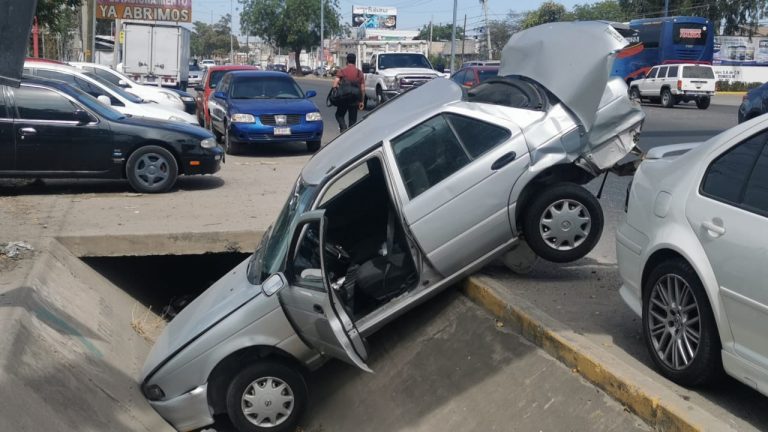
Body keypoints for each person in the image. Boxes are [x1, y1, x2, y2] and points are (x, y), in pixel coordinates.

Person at [333, 53, 365, 132]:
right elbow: (363, 88)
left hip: (344, 97)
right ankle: (350, 134)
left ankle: (343, 127)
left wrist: (337, 92)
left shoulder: (342, 71)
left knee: (339, 115)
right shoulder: (359, 73)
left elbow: (335, 84)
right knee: (353, 120)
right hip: (354, 99)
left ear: (347, 60)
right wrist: (362, 101)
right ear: (355, 61)